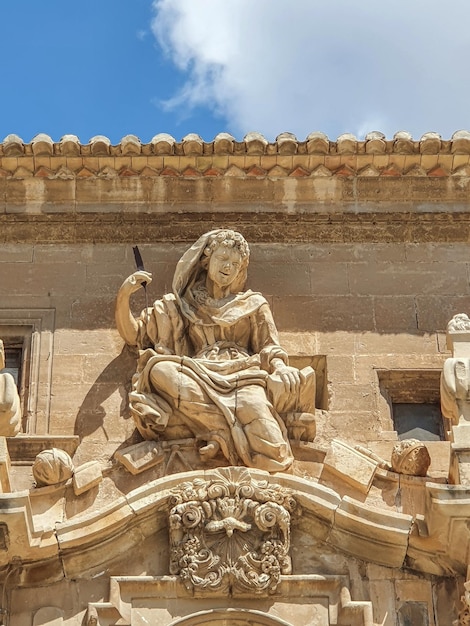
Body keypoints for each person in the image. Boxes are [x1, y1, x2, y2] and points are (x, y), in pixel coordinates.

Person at [116, 229, 314, 472]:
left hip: (243, 376)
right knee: (158, 369)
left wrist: (281, 367)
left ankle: (216, 435)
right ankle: (221, 435)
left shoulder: (254, 303)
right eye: (222, 259)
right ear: (206, 259)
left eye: (235, 263)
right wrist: (124, 295)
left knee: (272, 448)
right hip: (198, 371)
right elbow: (134, 334)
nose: (228, 268)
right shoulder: (180, 305)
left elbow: (269, 346)